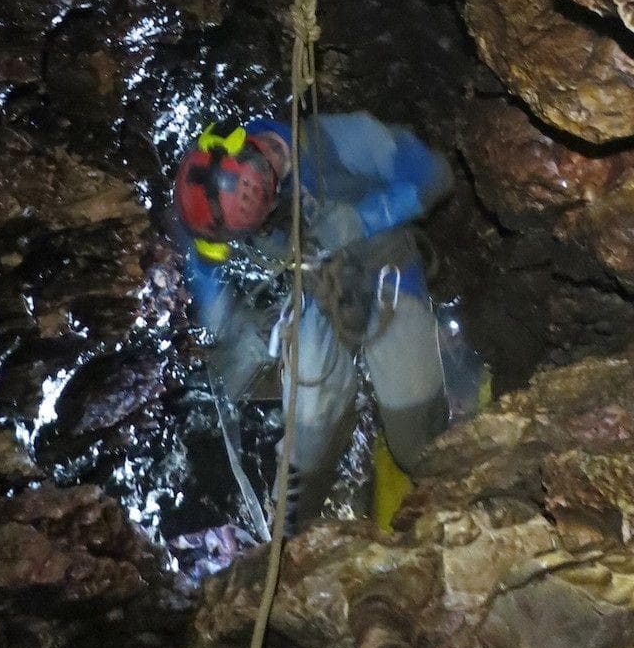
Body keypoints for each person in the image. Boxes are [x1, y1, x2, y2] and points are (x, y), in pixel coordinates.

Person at [172, 112, 469, 532]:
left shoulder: (341, 140)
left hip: (388, 274)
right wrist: (229, 325)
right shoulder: (212, 171)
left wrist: (365, 218)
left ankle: (441, 455)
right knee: (305, 438)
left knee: (416, 446)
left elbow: (436, 174)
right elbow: (197, 245)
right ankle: (295, 538)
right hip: (318, 290)